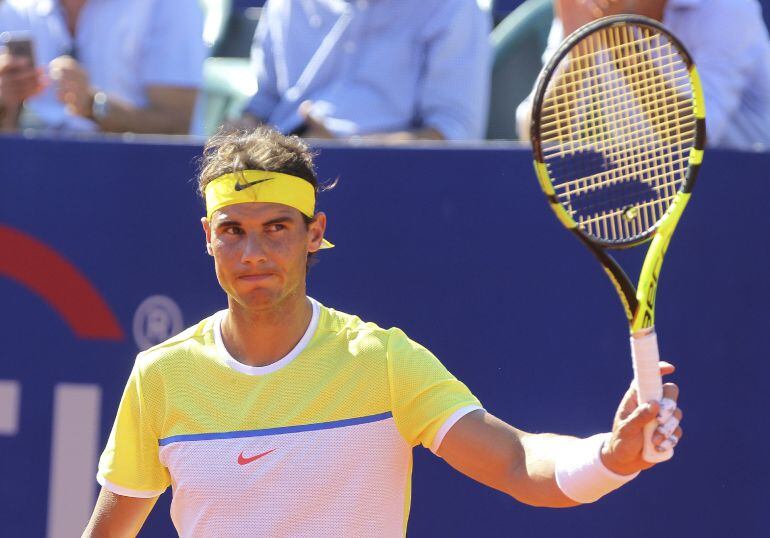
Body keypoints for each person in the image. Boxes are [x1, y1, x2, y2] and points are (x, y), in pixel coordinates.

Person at [83, 127, 683, 536]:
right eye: (233, 230)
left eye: (276, 227)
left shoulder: (381, 361)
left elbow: (515, 461)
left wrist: (610, 457)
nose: (254, 251)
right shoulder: (162, 376)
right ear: (208, 237)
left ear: (315, 233)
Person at [516, 0, 770, 151]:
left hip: (746, 200)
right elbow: (538, 138)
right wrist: (580, 51)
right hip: (648, 199)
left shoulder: (729, 9)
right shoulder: (593, 7)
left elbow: (694, 139)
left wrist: (616, 33)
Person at [232, 0, 492, 141]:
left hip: (389, 186)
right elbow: (263, 103)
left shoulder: (454, 7)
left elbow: (452, 134)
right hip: (274, 176)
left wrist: (350, 151)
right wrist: (242, 128)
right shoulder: (287, 4)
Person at [0, 0, 205, 134]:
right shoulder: (11, 10)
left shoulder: (169, 5)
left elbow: (177, 126)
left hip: (130, 179)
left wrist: (94, 105)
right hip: (29, 177)